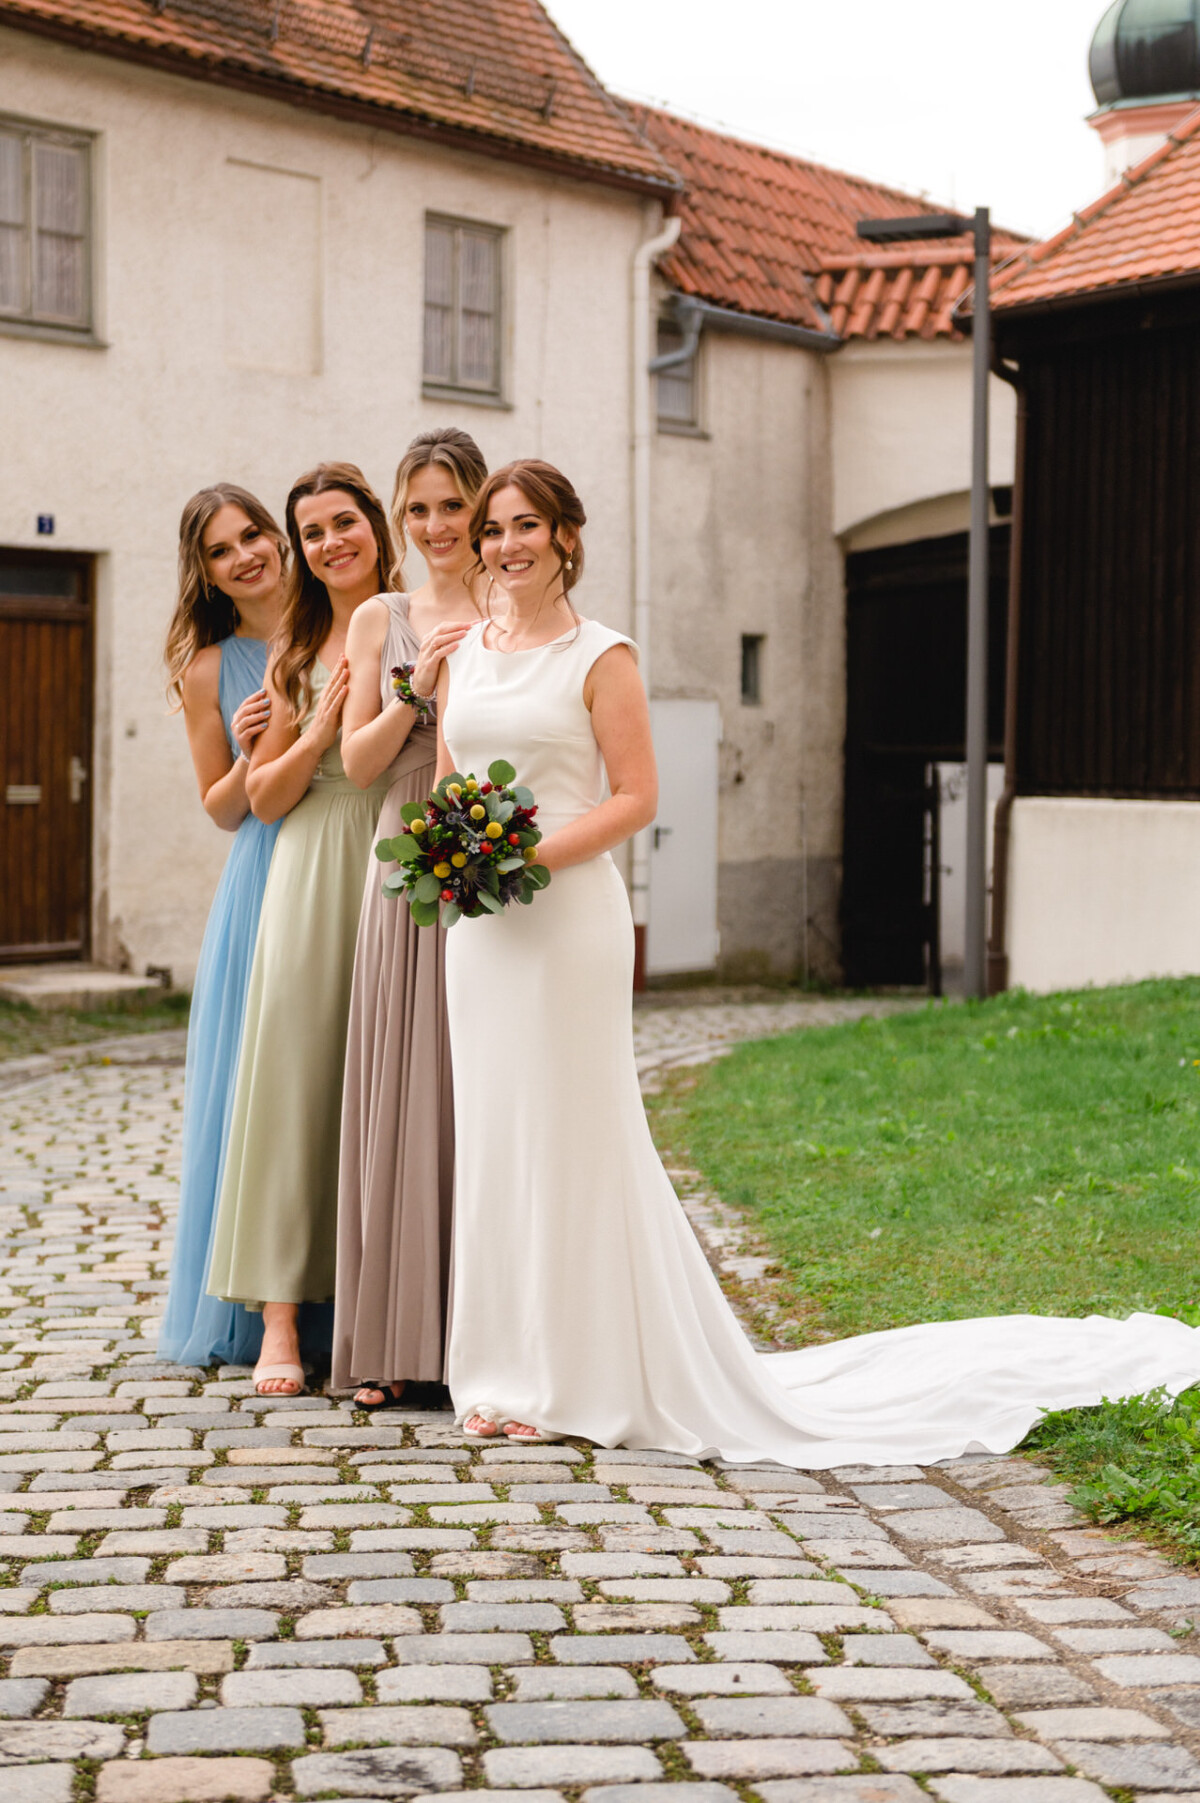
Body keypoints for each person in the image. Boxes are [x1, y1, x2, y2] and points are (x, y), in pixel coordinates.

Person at [438, 459, 1200, 1463]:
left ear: (567, 536)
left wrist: (527, 853)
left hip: (566, 915)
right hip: (483, 930)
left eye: (525, 526)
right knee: (497, 1131)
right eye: (492, 530)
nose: (505, 546)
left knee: (571, 1131)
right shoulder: (466, 652)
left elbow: (634, 798)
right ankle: (499, 1364)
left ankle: (577, 1368)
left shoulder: (601, 654)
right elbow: (451, 774)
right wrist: (458, 850)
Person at [207, 464, 398, 1397]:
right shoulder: (296, 646)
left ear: (375, 526)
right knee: (293, 1072)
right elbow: (265, 796)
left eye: (343, 523)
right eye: (312, 532)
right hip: (315, 858)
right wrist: (316, 729)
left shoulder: (417, 617)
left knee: (388, 1085)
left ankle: (385, 1308)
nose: (330, 544)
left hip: (398, 855)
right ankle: (280, 1318)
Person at [333, 428, 487, 1410]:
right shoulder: (378, 618)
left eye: (451, 506)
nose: (435, 527)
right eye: (418, 508)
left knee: (477, 1086)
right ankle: (391, 1339)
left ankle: (483, 1333)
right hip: (402, 855)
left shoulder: (514, 603)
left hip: (487, 855)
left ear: (481, 509)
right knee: (400, 1086)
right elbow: (354, 766)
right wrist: (415, 692)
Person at [158, 485, 286, 1369]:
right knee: (262, 1089)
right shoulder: (209, 667)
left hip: (355, 862)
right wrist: (254, 751)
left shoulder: (351, 621)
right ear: (204, 572)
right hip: (262, 878)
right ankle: (262, 1307)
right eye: (220, 550)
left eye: (253, 534)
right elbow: (217, 808)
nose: (244, 555)